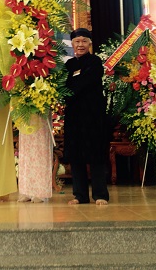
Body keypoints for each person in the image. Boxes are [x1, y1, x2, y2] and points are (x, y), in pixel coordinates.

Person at [64, 28, 110, 205]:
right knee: (76, 157)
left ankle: (100, 195)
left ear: (90, 43)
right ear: (73, 44)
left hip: (93, 116)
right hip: (74, 117)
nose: (80, 44)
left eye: (84, 41)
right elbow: (65, 86)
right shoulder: (69, 65)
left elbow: (81, 84)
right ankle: (79, 196)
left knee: (96, 156)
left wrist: (72, 86)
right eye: (77, 41)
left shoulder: (95, 62)